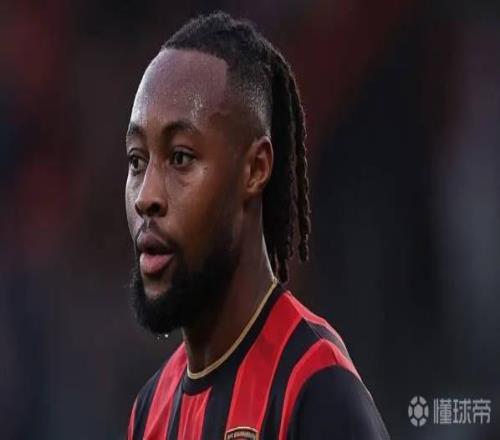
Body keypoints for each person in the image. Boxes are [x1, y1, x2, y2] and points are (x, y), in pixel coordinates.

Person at [125, 11, 389, 440]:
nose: (146, 196)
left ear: (255, 169)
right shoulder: (149, 412)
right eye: (137, 161)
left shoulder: (315, 387)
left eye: (180, 158)